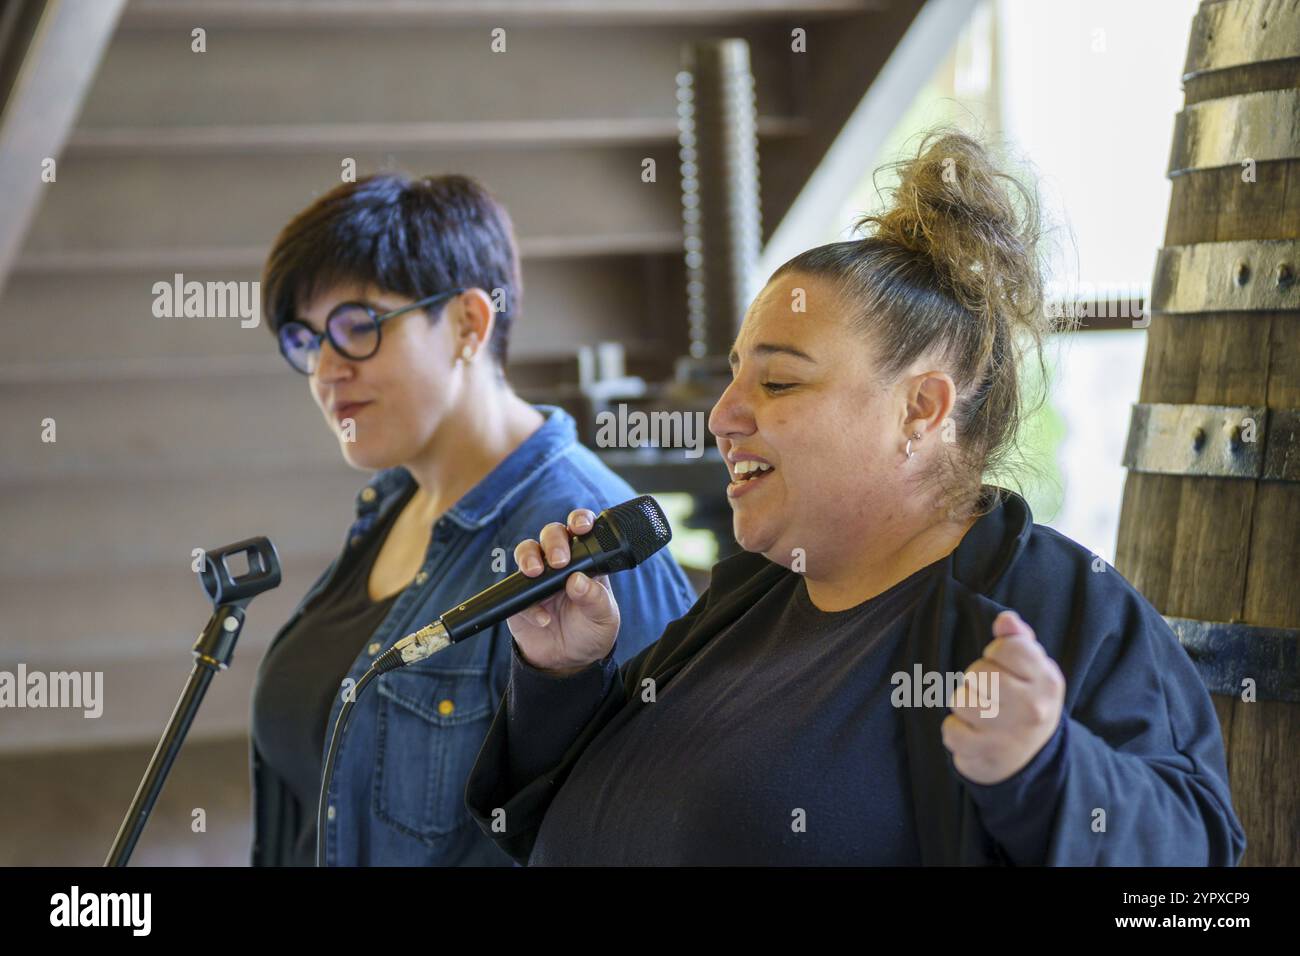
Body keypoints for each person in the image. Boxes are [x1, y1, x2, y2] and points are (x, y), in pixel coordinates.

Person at [463, 130, 1247, 865]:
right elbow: (551, 824)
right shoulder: (749, 601)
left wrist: (1047, 772)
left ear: (921, 410)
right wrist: (562, 678)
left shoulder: (1057, 607)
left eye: (777, 381)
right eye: (736, 376)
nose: (722, 417)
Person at [248, 172, 697, 866]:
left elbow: (651, 834)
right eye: (307, 340)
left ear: (468, 323)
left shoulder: (586, 548)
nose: (326, 370)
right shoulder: (396, 502)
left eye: (358, 327)